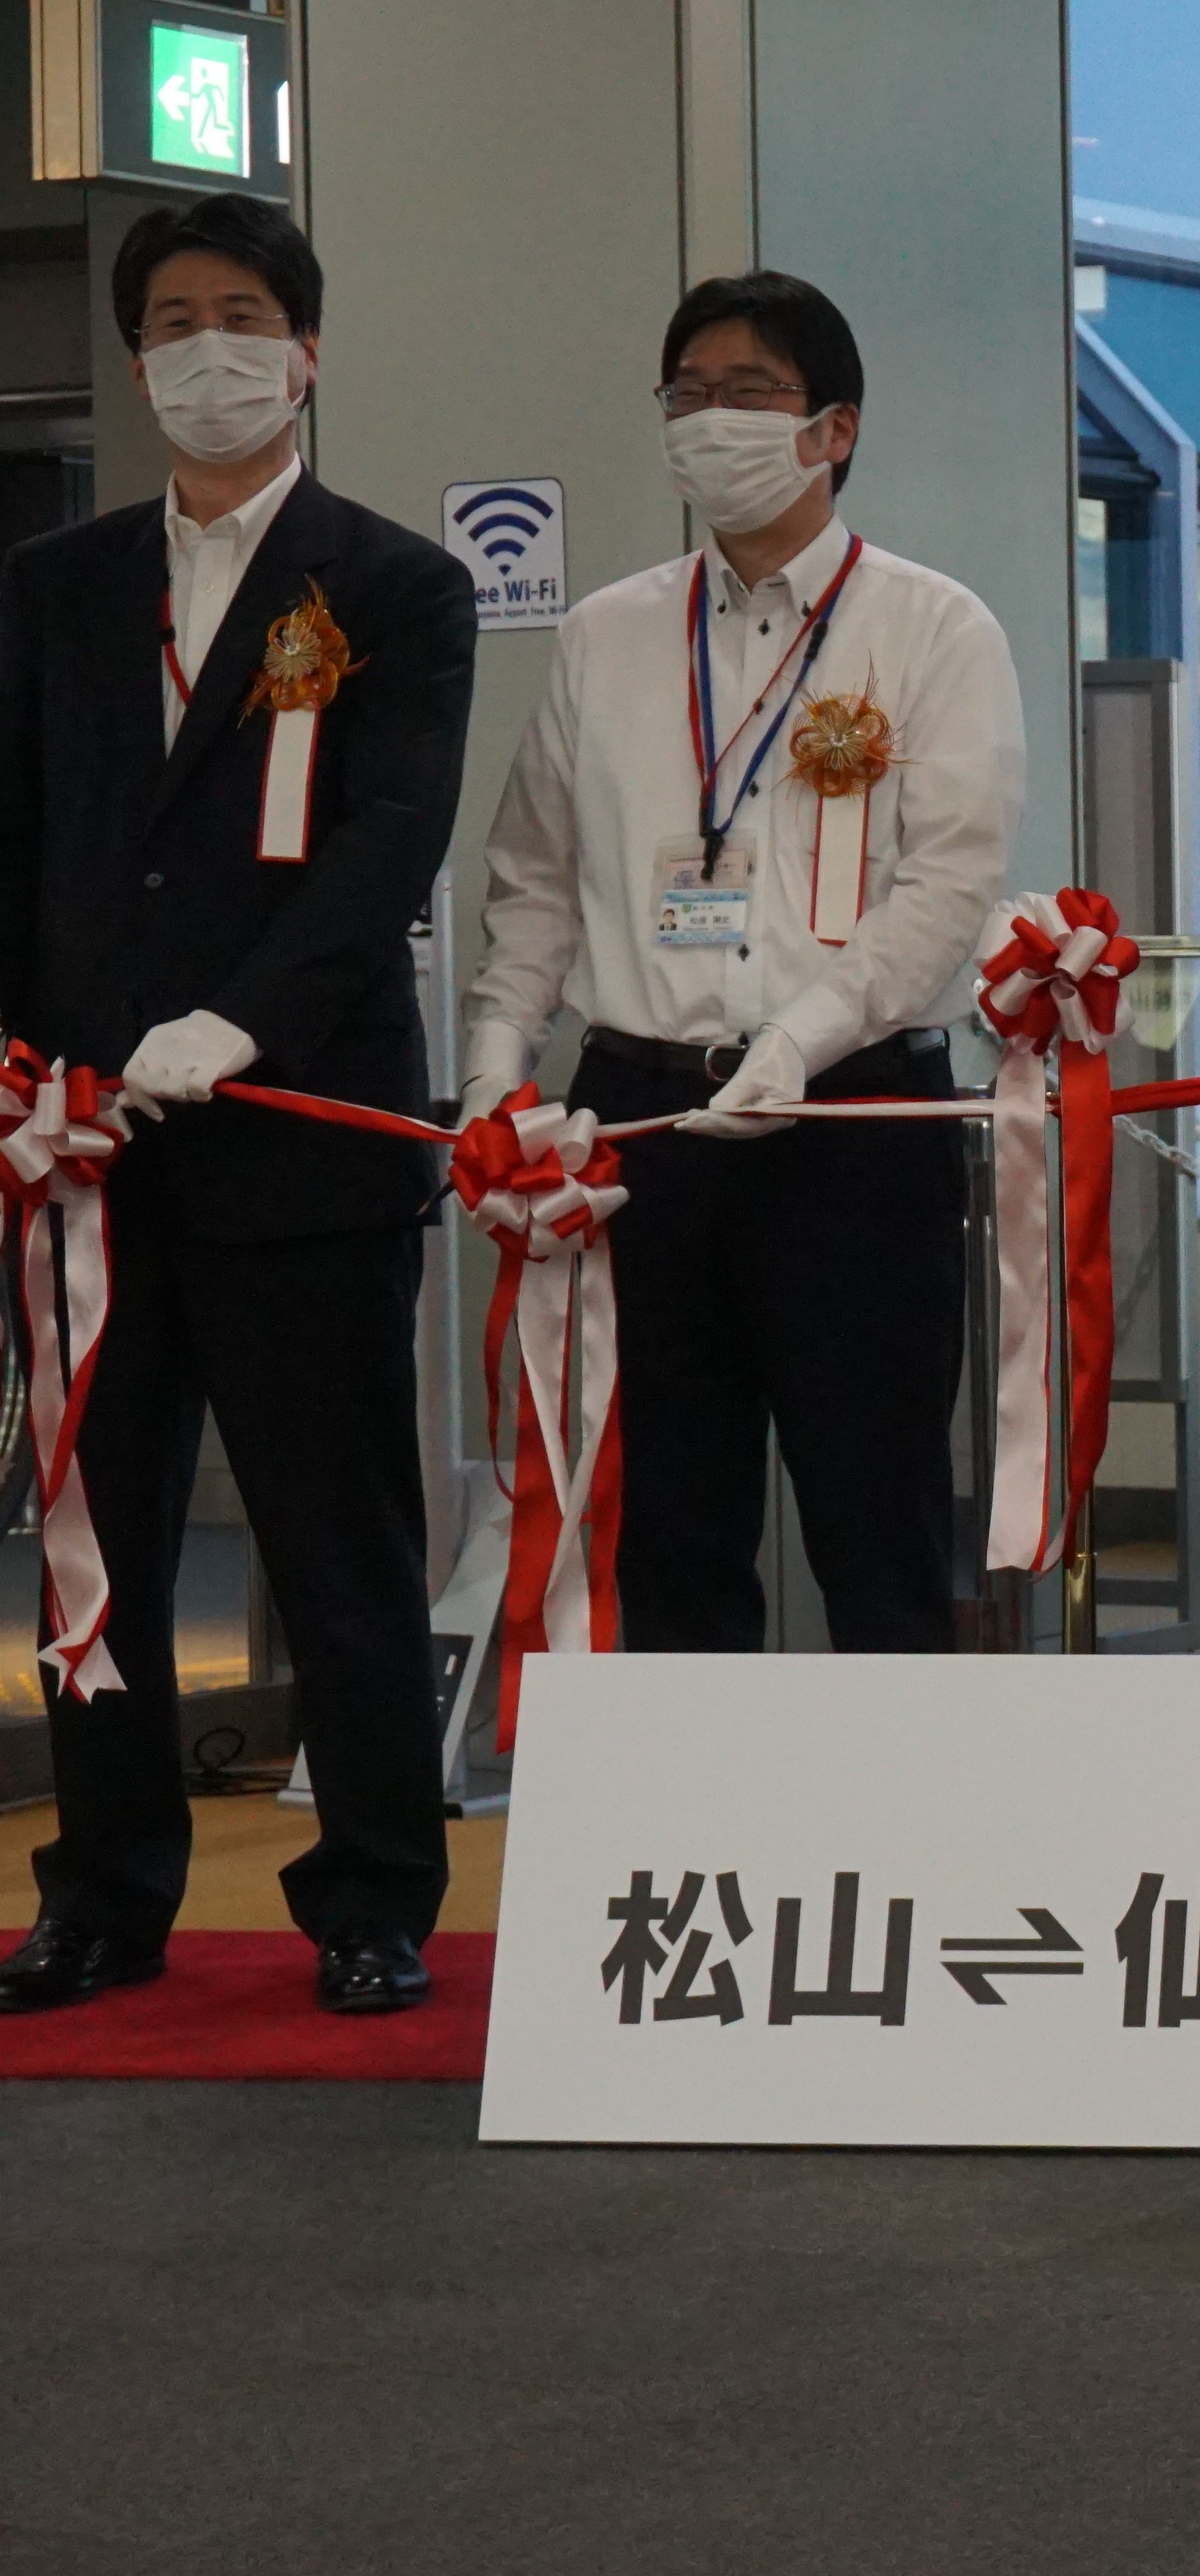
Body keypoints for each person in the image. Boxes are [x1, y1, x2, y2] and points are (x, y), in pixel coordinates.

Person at [0, 197, 475, 2017]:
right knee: (91, 1537)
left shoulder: (396, 586)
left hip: (298, 1143)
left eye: (247, 314)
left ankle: (373, 1895)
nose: (211, 348)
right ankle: (106, 1891)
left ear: (309, 349)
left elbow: (382, 850)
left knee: (331, 1536)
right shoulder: (57, 584)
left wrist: (238, 1024)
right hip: (85, 1155)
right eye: (177, 318)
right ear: (135, 356)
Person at [469, 272, 1023, 1653]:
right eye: (688, 395)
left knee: (878, 1517)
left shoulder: (934, 627)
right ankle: (691, 1849)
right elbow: (534, 876)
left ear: (833, 428)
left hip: (853, 1122)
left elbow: (946, 887)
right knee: (666, 1521)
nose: (710, 421)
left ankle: (892, 1851)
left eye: (750, 395)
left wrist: (801, 1040)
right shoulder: (608, 633)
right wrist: (492, 1076)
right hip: (641, 1124)